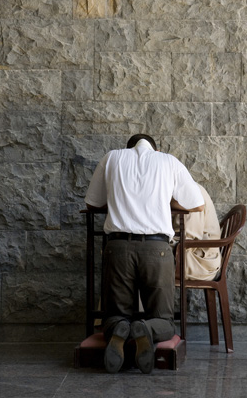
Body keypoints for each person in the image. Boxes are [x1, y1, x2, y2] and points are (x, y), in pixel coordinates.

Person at [85, 134, 204, 374]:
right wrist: (164, 202)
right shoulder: (168, 161)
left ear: (127, 148)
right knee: (163, 320)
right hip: (157, 250)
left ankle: (121, 327)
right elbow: (197, 204)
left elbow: (92, 203)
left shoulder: (112, 158)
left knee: (114, 315)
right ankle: (146, 329)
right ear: (155, 149)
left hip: (118, 248)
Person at [175, 184, 222, 282]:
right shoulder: (183, 189)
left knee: (147, 262)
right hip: (191, 254)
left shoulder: (190, 193)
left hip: (200, 262)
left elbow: (189, 238)